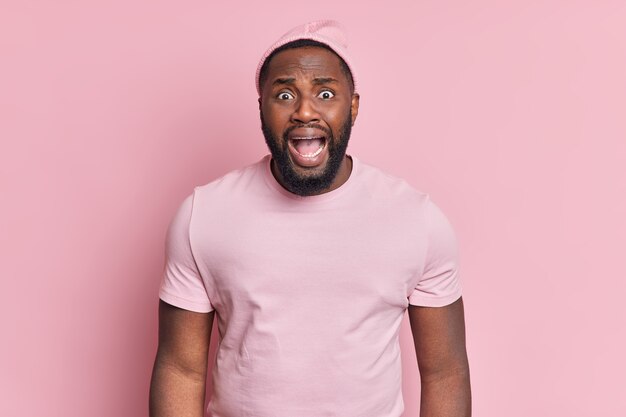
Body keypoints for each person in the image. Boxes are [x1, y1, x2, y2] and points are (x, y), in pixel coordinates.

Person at [149, 20, 471, 417]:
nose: (304, 111)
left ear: (352, 106)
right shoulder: (204, 215)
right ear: (261, 108)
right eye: (285, 94)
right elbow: (181, 370)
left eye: (325, 93)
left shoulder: (416, 220)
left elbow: (445, 372)